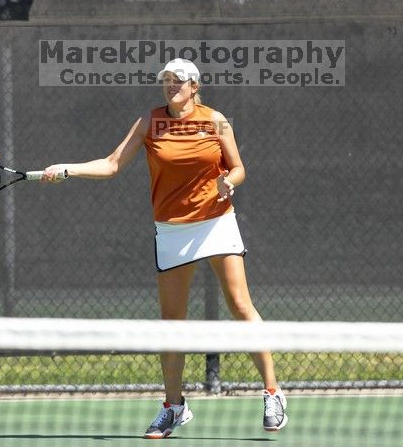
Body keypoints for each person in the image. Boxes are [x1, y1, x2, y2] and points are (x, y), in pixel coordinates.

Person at [42, 58, 287, 439]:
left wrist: (228, 182)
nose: (171, 86)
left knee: (240, 306)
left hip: (216, 222)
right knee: (172, 323)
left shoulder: (215, 120)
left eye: (179, 81)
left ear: (195, 86)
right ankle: (174, 405)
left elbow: (238, 167)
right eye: (166, 81)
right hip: (172, 230)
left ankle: (273, 393)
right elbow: (111, 165)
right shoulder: (150, 122)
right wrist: (66, 168)